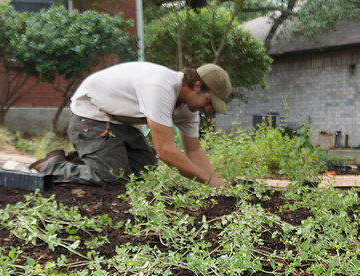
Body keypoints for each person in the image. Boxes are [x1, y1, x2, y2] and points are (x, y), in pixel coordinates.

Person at [31, 61, 231, 187]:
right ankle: (53, 165)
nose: (207, 109)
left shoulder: (188, 109)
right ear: (197, 86)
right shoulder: (161, 87)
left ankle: (91, 158)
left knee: (144, 169)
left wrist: (214, 178)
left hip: (118, 122)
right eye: (208, 102)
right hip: (91, 115)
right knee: (110, 176)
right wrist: (207, 180)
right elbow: (166, 151)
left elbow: (193, 149)